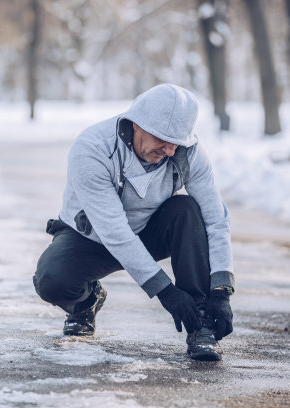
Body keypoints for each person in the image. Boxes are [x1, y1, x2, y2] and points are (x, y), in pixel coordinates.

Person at [33, 83, 234, 361]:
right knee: (52, 281)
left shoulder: (189, 153)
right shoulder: (93, 148)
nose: (168, 150)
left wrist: (221, 289)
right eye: (161, 139)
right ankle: (85, 302)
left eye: (176, 141)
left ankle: (201, 324)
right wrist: (166, 292)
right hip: (92, 238)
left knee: (187, 210)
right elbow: (115, 233)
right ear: (136, 124)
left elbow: (216, 220)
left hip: (149, 230)